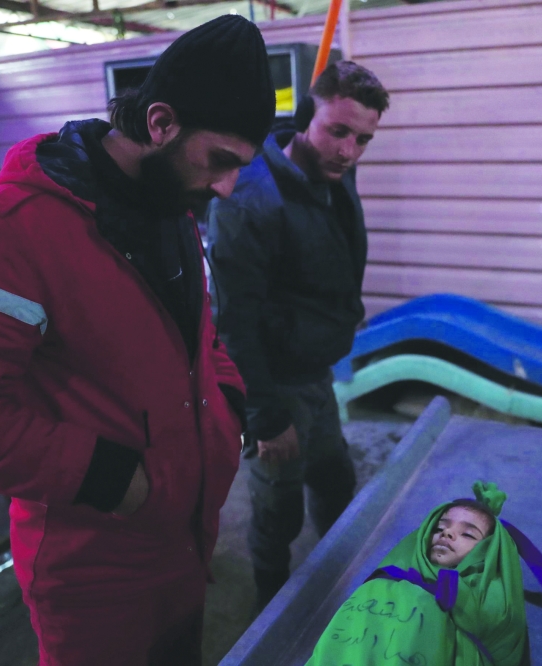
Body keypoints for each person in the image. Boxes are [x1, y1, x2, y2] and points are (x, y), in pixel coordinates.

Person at [0, 16, 275, 666]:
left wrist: (229, 407)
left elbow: (198, 334)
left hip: (185, 542)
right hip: (94, 575)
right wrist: (113, 479)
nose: (227, 186)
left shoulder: (169, 205)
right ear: (161, 123)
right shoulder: (14, 229)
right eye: (220, 161)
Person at [206, 61, 390, 610]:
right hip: (275, 383)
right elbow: (233, 322)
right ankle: (269, 611)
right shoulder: (249, 200)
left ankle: (345, 584)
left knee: (335, 482)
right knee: (277, 508)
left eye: (363, 139)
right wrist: (265, 417)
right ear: (308, 114)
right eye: (338, 131)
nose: (349, 151)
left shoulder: (335, 174)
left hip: (315, 374)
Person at [306, 482, 530, 666]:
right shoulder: (386, 583)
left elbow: (501, 638)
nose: (447, 534)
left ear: (488, 552)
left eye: (468, 534)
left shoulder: (494, 603)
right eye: (439, 528)